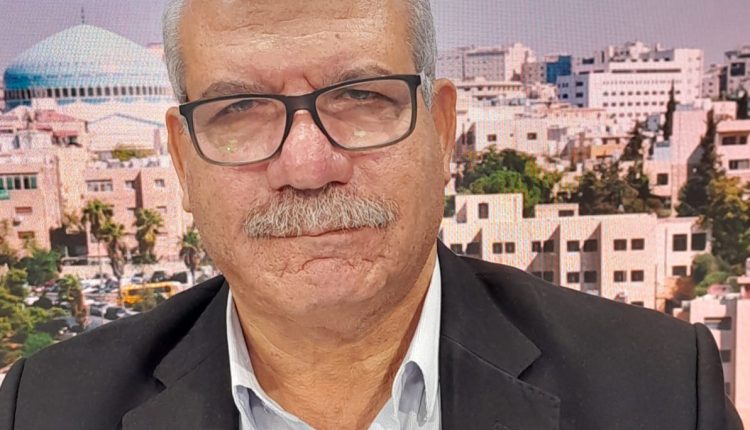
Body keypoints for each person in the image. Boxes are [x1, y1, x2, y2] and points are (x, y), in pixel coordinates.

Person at [0, 0, 743, 428]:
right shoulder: (50, 412)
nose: (307, 167)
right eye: (241, 110)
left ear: (443, 131)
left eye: (361, 97)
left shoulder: (654, 392)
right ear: (183, 160)